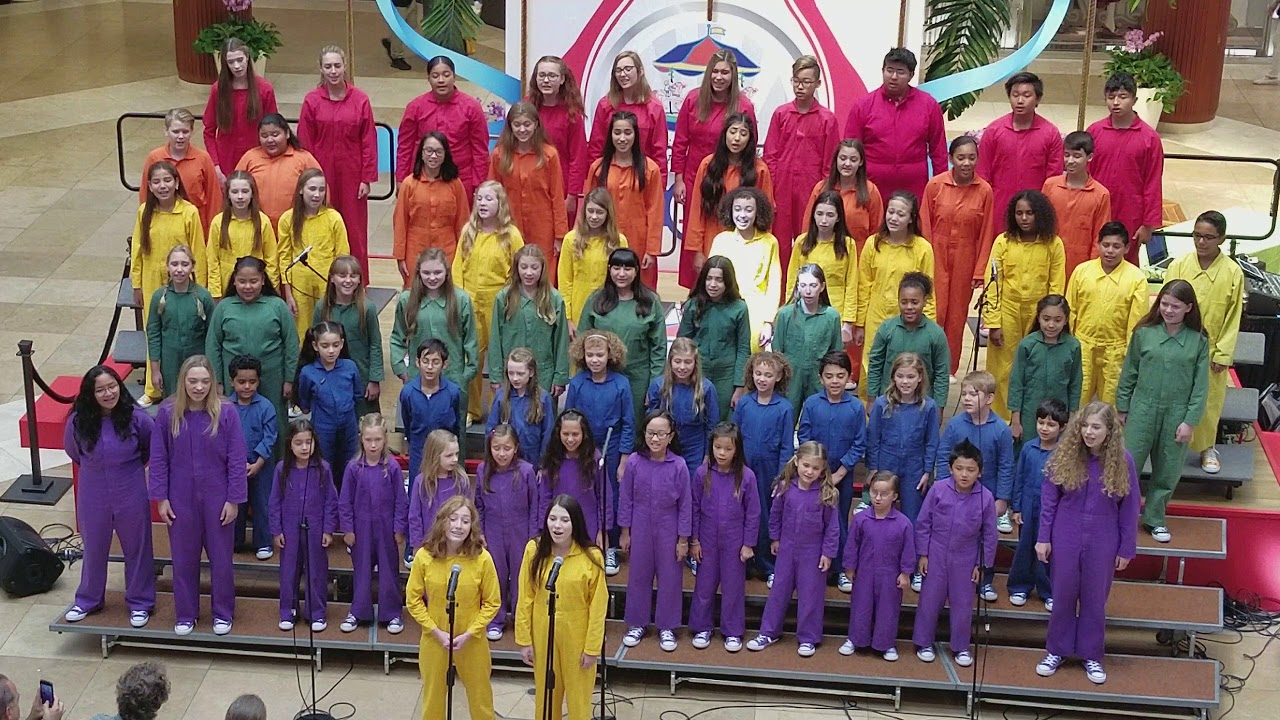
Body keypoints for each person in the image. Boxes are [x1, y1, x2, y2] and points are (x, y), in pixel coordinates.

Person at [1035, 401, 1140, 685]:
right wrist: (1043, 537)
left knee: (1095, 599)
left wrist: (1126, 547)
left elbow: (1130, 508)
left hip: (1104, 537)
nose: (1089, 432)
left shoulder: (1124, 461)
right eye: (1085, 426)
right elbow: (1049, 500)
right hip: (1066, 533)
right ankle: (1056, 650)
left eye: (1096, 427)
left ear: (1110, 430)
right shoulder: (1064, 455)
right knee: (1063, 594)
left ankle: (1091, 655)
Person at [149, 355, 247, 636]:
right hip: (180, 496)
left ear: (213, 383)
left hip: (218, 496)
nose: (199, 387)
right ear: (183, 382)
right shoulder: (168, 414)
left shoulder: (227, 413)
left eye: (205, 381)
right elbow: (159, 459)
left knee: (221, 560)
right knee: (183, 559)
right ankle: (186, 614)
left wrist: (233, 499)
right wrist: (161, 498)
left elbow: (236, 459)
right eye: (193, 381)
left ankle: (223, 613)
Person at [1117, 280, 1209, 543]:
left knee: (1168, 469)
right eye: (1164, 304)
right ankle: (1120, 516)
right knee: (1127, 464)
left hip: (1177, 413)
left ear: (1188, 308)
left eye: (1175, 306)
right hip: (1142, 409)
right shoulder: (1144, 333)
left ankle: (1155, 519)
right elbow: (1129, 373)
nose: (1168, 310)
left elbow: (1200, 387)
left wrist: (1190, 421)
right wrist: (1123, 407)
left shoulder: (1198, 341)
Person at [63, 366, 156, 627]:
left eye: (112, 386)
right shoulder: (77, 421)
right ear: (90, 394)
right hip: (93, 490)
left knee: (137, 546)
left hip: (130, 487)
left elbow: (149, 448)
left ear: (120, 386)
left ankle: (140, 602)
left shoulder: (138, 417)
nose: (108, 393)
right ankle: (88, 599)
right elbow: (73, 451)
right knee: (93, 546)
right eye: (100, 390)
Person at [406, 495, 501, 720]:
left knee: (481, 697)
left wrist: (471, 632)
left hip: (472, 638)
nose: (459, 526)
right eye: (453, 518)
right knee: (432, 698)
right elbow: (413, 599)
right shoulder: (424, 556)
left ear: (472, 526)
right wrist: (435, 631)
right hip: (435, 636)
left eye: (465, 521)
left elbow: (492, 602)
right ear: (442, 521)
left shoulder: (482, 559)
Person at [1164, 210, 1244, 474]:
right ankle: (1169, 446)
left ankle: (1207, 448)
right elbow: (1165, 305)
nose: (1201, 242)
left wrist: (1223, 354)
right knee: (1175, 398)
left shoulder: (1232, 272)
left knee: (1209, 403)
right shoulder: (1179, 265)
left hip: (1210, 352)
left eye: (1208, 237)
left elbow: (1233, 317)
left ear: (1221, 238)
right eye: (1197, 236)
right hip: (1178, 345)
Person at [515, 495, 608, 720]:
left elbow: (598, 606)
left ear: (575, 522)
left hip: (578, 635)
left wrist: (592, 648)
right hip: (543, 631)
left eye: (564, 520)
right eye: (553, 519)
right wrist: (524, 639)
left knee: (578, 701)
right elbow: (524, 596)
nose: (557, 526)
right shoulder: (533, 550)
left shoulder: (591, 556)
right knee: (546, 699)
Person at [746, 441, 840, 657]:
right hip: (787, 548)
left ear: (823, 469)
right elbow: (775, 515)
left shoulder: (827, 494)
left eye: (816, 468)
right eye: (806, 465)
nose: (810, 471)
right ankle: (769, 632)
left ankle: (808, 637)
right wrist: (775, 538)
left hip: (813, 552)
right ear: (797, 461)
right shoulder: (784, 487)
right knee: (778, 591)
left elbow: (832, 528)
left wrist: (828, 553)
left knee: (811, 595)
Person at [674, 49, 757, 286]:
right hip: (696, 176)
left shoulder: (744, 105)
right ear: (709, 72)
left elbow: (750, 146)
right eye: (716, 71)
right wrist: (679, 179)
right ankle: (696, 290)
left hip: (733, 177)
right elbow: (680, 141)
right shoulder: (692, 99)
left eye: (725, 72)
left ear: (733, 76)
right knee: (697, 233)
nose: (719, 77)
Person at [912, 440, 998, 667]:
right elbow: (923, 523)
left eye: (970, 470)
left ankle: (960, 647)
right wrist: (923, 554)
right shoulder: (938, 490)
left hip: (967, 557)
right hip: (936, 552)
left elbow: (990, 534)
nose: (964, 474)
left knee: (962, 605)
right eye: (959, 468)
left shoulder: (985, 497)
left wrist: (982, 564)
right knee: (929, 600)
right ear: (950, 468)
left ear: (980, 472)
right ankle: (923, 642)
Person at [983, 190, 1066, 418]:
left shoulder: (1053, 244)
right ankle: (1002, 418)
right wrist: (993, 322)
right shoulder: (1003, 241)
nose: (1024, 218)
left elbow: (1056, 285)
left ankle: (1033, 418)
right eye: (1019, 213)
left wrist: (1050, 321)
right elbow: (992, 282)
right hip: (1007, 309)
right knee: (1002, 367)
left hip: (1038, 313)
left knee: (1035, 366)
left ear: (1040, 214)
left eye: (1030, 213)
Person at [298, 46, 379, 279]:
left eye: (337, 66)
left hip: (352, 174)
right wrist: (309, 178)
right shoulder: (312, 100)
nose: (333, 71)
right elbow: (305, 141)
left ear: (345, 66)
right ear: (321, 69)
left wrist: (366, 178)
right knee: (322, 224)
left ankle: (357, 280)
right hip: (321, 173)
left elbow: (368, 140)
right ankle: (323, 277)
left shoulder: (360, 99)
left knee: (354, 228)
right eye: (328, 66)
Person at [132, 161, 206, 406]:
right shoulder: (144, 212)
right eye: (156, 182)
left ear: (176, 183)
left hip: (185, 281)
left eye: (167, 180)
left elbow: (198, 251)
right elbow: (138, 250)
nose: (162, 186)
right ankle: (154, 387)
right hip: (153, 278)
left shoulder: (189, 212)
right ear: (150, 186)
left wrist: (201, 287)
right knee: (155, 330)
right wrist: (136, 284)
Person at [619, 410, 693, 652]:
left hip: (669, 526)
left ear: (670, 436)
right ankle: (637, 623)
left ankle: (667, 626)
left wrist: (683, 539)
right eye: (651, 433)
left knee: (670, 576)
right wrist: (625, 531)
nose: (655, 439)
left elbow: (685, 505)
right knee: (638, 574)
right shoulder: (634, 462)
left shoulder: (679, 465)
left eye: (661, 434)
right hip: (640, 524)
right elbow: (626, 498)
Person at [921, 135, 994, 376]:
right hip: (937, 254)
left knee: (957, 316)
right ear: (951, 158)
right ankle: (925, 364)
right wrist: (926, 261)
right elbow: (925, 225)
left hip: (966, 256)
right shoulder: (935, 185)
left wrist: (979, 270)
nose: (966, 163)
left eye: (971, 157)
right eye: (960, 157)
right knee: (934, 311)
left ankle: (948, 370)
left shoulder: (984, 191)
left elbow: (986, 233)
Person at [207, 257, 299, 445]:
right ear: (234, 280)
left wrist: (289, 379)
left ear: (263, 280)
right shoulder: (224, 307)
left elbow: (291, 344)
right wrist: (217, 381)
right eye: (242, 281)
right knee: (235, 425)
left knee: (274, 426)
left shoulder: (277, 306)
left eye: (253, 281)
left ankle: (276, 469)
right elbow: (213, 346)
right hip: (232, 380)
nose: (247, 286)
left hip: (272, 379)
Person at [866, 352, 940, 587]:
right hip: (886, 466)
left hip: (915, 469)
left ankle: (913, 567)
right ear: (893, 377)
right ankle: (879, 563)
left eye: (911, 376)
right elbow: (873, 438)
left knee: (913, 519)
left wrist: (928, 470)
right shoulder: (881, 404)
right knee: (882, 516)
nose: (905, 381)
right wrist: (873, 468)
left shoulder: (928, 407)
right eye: (901, 376)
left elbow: (932, 441)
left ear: (920, 378)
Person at [935, 371, 1015, 588]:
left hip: (987, 493)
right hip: (956, 492)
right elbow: (943, 455)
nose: (967, 398)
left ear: (989, 398)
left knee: (986, 536)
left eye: (974, 394)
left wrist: (1003, 498)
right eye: (964, 394)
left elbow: (1007, 465)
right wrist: (942, 486)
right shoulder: (955, 425)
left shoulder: (1000, 430)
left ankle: (985, 578)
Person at [563, 331, 634, 572]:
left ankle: (610, 548)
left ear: (610, 355)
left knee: (610, 495)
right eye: (590, 355)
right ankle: (580, 543)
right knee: (582, 493)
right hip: (582, 447)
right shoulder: (578, 383)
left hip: (612, 448)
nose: (594, 360)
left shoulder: (621, 384)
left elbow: (628, 422)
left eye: (599, 355)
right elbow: (568, 418)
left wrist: (624, 460)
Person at [854, 191, 935, 399]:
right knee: (871, 364)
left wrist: (929, 326)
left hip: (909, 317)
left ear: (911, 218)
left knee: (907, 364)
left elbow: (929, 292)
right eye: (891, 212)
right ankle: (871, 410)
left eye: (900, 214)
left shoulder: (922, 248)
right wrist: (859, 323)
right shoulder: (874, 244)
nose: (894, 218)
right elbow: (863, 285)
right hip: (876, 313)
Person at [797, 351, 867, 593]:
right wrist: (813, 469)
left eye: (840, 376)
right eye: (829, 376)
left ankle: (841, 570)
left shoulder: (856, 407)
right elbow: (804, 435)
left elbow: (860, 442)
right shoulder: (812, 404)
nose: (835, 381)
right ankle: (814, 567)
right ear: (821, 378)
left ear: (849, 377)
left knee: (838, 522)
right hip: (813, 475)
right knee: (814, 521)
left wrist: (841, 471)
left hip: (842, 477)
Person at [455, 180, 525, 421]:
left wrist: (509, 299)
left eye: (489, 199)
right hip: (470, 301)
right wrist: (460, 299)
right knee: (472, 356)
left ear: (500, 203)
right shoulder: (468, 231)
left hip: (500, 302)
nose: (483, 203)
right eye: (479, 199)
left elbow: (519, 271)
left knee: (502, 358)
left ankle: (504, 408)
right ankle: (473, 409)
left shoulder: (511, 235)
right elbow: (457, 268)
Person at [390, 249, 478, 440]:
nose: (432, 278)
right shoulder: (407, 300)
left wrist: (465, 376)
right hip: (418, 379)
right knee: (419, 432)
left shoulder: (461, 300)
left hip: (453, 379)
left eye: (437, 272)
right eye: (427, 273)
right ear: (418, 273)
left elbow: (471, 341)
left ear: (446, 272)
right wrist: (402, 370)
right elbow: (398, 337)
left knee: (453, 436)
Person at [689, 422, 761, 653]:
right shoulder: (702, 474)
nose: (721, 453)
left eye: (727, 449)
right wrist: (694, 541)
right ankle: (702, 627)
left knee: (733, 587)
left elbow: (754, 512)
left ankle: (732, 631)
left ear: (737, 450)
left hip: (735, 541)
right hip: (707, 540)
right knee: (704, 585)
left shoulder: (746, 476)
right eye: (717, 447)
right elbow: (694, 507)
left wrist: (748, 544)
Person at [763, 55, 840, 270]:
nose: (800, 86)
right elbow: (771, 156)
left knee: (808, 241)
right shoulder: (781, 114)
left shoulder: (827, 119)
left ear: (817, 84)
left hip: (811, 189)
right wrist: (772, 192)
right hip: (782, 189)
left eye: (806, 81)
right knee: (779, 245)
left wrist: (824, 194)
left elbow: (830, 163)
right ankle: (780, 297)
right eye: (796, 80)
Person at [844, 47, 947, 202]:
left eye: (900, 72)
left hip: (914, 187)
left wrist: (940, 187)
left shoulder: (928, 105)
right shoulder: (863, 106)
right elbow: (850, 150)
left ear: (911, 75)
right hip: (871, 186)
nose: (893, 76)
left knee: (912, 226)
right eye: (889, 70)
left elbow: (938, 152)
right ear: (882, 71)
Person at [576, 248, 666, 423]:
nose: (621, 274)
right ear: (609, 269)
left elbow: (659, 347)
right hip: (600, 376)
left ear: (636, 271)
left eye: (628, 268)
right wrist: (583, 379)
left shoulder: (650, 301)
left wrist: (654, 384)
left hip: (638, 379)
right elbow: (581, 341)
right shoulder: (596, 299)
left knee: (633, 426)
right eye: (616, 268)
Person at [1066, 222, 1149, 406]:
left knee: (1111, 406)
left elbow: (1137, 322)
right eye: (1106, 245)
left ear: (1127, 248)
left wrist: (1131, 354)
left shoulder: (1136, 279)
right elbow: (1070, 310)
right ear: (1098, 244)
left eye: (1116, 246)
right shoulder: (1082, 271)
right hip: (1083, 346)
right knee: (1076, 401)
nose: (1110, 251)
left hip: (1116, 351)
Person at [339, 413, 408, 634]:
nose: (373, 444)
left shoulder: (393, 467)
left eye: (377, 440)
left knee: (389, 571)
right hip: (361, 529)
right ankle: (359, 611)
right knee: (361, 570)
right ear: (361, 439)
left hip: (386, 529)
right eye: (368, 440)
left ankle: (392, 613)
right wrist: (347, 529)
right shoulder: (353, 468)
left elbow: (401, 500)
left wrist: (399, 528)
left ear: (385, 439)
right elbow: (345, 501)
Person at [683, 113, 774, 280]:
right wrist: (697, 251)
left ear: (750, 139)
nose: (737, 138)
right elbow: (697, 211)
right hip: (712, 241)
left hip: (747, 244)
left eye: (743, 133)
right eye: (733, 132)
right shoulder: (707, 165)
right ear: (724, 134)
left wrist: (763, 249)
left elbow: (765, 216)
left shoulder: (759, 170)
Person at [1087, 73, 1165, 265]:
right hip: (1097, 209)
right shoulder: (1094, 132)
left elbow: (1153, 182)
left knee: (1126, 265)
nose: (1116, 102)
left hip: (1131, 212)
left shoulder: (1149, 138)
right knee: (1093, 259)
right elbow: (1085, 174)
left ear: (1134, 100)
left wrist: (1148, 224)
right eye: (1111, 97)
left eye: (1123, 97)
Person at [269, 418, 339, 632]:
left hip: (316, 528)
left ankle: (316, 613)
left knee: (317, 571)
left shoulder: (323, 469)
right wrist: (276, 530)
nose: (304, 447)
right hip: (289, 529)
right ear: (290, 444)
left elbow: (331, 501)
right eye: (299, 443)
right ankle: (287, 611)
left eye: (308, 442)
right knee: (288, 571)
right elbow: (274, 501)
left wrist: (328, 529)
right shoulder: (282, 469)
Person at [732, 351, 795, 582]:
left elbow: (787, 446)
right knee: (743, 513)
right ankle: (744, 563)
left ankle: (768, 565)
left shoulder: (785, 408)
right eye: (758, 373)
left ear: (778, 377)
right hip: (745, 469)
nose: (762, 379)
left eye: (768, 374)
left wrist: (782, 477)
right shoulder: (745, 403)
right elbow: (734, 437)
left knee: (768, 516)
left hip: (770, 471)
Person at [976, 72, 1065, 237]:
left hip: (1035, 210)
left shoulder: (1050, 133)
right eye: (1015, 95)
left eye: (1026, 95)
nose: (1020, 100)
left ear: (1037, 99)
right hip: (999, 207)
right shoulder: (994, 131)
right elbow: (983, 173)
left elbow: (1053, 179)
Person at [583, 111, 664, 289]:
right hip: (603, 239)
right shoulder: (597, 168)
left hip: (639, 241)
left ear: (636, 135)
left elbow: (655, 211)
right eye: (617, 132)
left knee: (640, 291)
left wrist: (652, 250)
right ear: (610, 134)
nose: (622, 138)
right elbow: (586, 210)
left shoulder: (650, 169)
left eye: (628, 133)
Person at [489, 102, 568, 281]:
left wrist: (560, 235)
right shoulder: (500, 155)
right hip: (509, 225)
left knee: (542, 275)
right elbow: (492, 195)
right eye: (517, 124)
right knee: (511, 274)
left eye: (527, 124)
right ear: (510, 127)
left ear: (536, 125)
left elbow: (557, 196)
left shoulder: (549, 155)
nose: (522, 129)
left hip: (543, 228)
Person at [840, 471, 915, 661]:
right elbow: (852, 545)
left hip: (890, 575)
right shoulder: (860, 519)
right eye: (874, 493)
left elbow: (908, 551)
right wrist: (849, 567)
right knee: (860, 606)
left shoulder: (903, 523)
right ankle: (855, 639)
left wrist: (905, 573)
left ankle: (886, 643)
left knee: (888, 609)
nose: (878, 498)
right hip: (864, 572)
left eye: (884, 494)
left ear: (895, 496)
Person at [475, 424, 539, 640]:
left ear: (516, 448)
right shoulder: (483, 470)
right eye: (497, 448)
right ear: (490, 448)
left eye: (507, 448)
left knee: (522, 577)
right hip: (493, 530)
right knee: (496, 575)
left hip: (520, 530)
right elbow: (479, 506)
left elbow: (535, 506)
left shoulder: (527, 471)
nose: (501, 453)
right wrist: (480, 533)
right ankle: (495, 620)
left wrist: (533, 537)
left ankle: (523, 620)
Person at [395, 56, 490, 196]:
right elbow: (405, 146)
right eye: (435, 76)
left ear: (454, 76)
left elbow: (480, 149)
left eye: (446, 75)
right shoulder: (415, 107)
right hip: (423, 179)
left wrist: (479, 183)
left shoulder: (471, 107)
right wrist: (401, 178)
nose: (441, 80)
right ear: (428, 79)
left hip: (462, 179)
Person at [487, 245, 571, 399]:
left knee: (542, 416)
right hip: (512, 375)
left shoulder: (554, 299)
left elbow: (561, 341)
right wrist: (495, 375)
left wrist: (560, 377)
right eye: (524, 267)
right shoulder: (503, 298)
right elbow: (495, 339)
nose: (529, 273)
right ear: (517, 268)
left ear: (542, 269)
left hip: (544, 374)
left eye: (534, 267)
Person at [788, 191, 859, 370]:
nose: (824, 220)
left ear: (838, 218)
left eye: (830, 215)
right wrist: (790, 310)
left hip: (836, 312)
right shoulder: (802, 243)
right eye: (819, 214)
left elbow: (851, 284)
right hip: (804, 311)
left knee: (831, 364)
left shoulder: (848, 245)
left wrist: (848, 323)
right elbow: (792, 280)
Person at [1008, 398, 1067, 610]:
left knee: (1048, 550)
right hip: (1027, 506)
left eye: (1051, 424)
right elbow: (1019, 478)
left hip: (1051, 512)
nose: (1044, 428)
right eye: (1041, 422)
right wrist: (1016, 507)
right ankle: (1019, 586)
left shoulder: (1063, 454)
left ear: (1062, 427)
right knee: (1025, 547)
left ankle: (1048, 590)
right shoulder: (1027, 449)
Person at [278, 168, 350, 341]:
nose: (317, 194)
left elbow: (342, 256)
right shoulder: (287, 219)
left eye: (321, 189)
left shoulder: (334, 218)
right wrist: (288, 294)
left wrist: (339, 289)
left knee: (328, 330)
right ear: (301, 189)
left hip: (327, 284)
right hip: (299, 286)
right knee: (302, 332)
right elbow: (284, 258)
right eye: (312, 189)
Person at [709, 187, 782, 352]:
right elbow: (709, 280)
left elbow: (773, 284)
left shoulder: (770, 242)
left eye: (749, 210)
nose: (742, 215)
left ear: (758, 213)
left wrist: (768, 322)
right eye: (737, 209)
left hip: (755, 311)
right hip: (723, 308)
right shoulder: (721, 240)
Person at [677, 256, 751, 420]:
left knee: (721, 420)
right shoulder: (693, 305)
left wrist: (739, 386)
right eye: (709, 278)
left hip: (726, 374)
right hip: (696, 372)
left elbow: (744, 347)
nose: (713, 284)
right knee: (694, 417)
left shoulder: (739, 308)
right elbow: (681, 343)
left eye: (719, 280)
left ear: (728, 282)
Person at [865, 272, 950, 410]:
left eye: (915, 302)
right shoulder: (886, 329)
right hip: (889, 401)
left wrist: (939, 407)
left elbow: (942, 373)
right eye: (904, 302)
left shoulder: (936, 334)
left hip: (922, 405)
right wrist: (871, 398)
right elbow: (875, 365)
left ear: (925, 301)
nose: (909, 307)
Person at [587, 50, 668, 189]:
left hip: (642, 179)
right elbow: (596, 146)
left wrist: (659, 186)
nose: (623, 74)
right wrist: (594, 180)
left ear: (640, 71)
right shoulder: (605, 105)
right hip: (609, 180)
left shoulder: (654, 108)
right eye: (618, 70)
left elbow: (659, 151)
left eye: (628, 69)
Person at [314, 255, 384, 417]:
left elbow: (375, 344)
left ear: (360, 280)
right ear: (332, 278)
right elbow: (314, 344)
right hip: (329, 376)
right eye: (342, 275)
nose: (348, 280)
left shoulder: (367, 308)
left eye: (353, 276)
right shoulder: (322, 307)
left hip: (362, 377)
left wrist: (374, 379)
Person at [393, 132, 470, 274]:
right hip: (415, 248)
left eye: (439, 152)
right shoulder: (409, 184)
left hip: (448, 248)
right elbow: (400, 222)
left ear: (445, 154)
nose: (433, 156)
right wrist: (400, 257)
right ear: (421, 153)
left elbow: (463, 221)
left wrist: (464, 253)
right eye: (429, 151)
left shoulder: (455, 184)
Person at [538, 409, 614, 554]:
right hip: (558, 528)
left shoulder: (596, 459)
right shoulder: (552, 460)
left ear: (584, 435)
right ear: (558, 434)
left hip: (588, 526)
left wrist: (602, 529)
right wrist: (544, 528)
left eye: (575, 434)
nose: (570, 439)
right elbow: (544, 498)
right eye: (566, 434)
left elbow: (604, 498)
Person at [1009, 296, 1082, 445]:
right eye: (1046, 319)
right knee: (1027, 451)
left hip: (1060, 414)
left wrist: (1072, 418)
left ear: (1066, 320)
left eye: (1057, 320)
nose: (1051, 325)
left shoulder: (1073, 346)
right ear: (1038, 318)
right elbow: (1016, 382)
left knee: (1056, 456)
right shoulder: (1027, 345)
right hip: (1030, 413)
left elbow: (1075, 384)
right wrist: (1015, 420)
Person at [770, 264, 842, 412]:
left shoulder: (831, 316)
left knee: (819, 417)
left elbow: (836, 353)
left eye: (813, 285)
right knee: (786, 417)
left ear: (822, 287)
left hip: (818, 378)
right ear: (798, 286)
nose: (808, 291)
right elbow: (777, 352)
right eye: (803, 285)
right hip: (790, 379)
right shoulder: (785, 314)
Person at [203, 38, 278, 179]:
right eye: (231, 62)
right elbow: (209, 131)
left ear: (247, 57)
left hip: (257, 159)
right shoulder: (218, 90)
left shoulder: (264, 89)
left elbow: (273, 129)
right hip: (226, 162)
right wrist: (216, 166)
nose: (236, 66)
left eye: (239, 60)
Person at [146, 245, 215, 398]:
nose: (179, 269)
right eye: (174, 264)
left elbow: (213, 335)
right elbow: (153, 334)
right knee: (172, 400)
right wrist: (155, 370)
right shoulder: (159, 297)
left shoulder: (203, 297)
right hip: (169, 359)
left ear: (193, 266)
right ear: (167, 266)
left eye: (185, 264)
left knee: (197, 397)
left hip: (197, 356)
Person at [296, 321, 361, 483]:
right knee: (324, 465)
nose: (331, 351)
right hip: (322, 425)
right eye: (325, 346)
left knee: (350, 463)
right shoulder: (307, 372)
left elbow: (357, 394)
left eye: (335, 345)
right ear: (315, 346)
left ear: (342, 344)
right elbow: (304, 399)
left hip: (348, 424)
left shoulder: (350, 367)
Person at [526, 55, 588, 221]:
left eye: (552, 76)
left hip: (562, 189)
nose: (546, 80)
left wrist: (572, 195)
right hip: (529, 185)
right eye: (542, 75)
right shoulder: (526, 108)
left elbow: (578, 158)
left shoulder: (572, 115)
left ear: (562, 79)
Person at [1042, 131, 1112, 280]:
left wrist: (1093, 269)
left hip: (1081, 266)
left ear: (1090, 157)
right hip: (1048, 261)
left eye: (1077, 156)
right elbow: (1040, 225)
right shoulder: (1050, 186)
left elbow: (1099, 236)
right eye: (1067, 155)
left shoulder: (1101, 194)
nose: (1070, 160)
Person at [399, 339, 465, 495]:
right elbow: (408, 424)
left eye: (435, 362)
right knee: (418, 492)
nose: (429, 367)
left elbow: (456, 426)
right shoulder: (408, 393)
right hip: (418, 452)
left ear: (444, 364)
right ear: (417, 362)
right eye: (425, 361)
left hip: (444, 453)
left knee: (445, 493)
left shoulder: (453, 392)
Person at [646, 338, 719, 477]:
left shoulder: (706, 388)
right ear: (670, 361)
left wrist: (708, 454)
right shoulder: (658, 385)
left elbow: (712, 425)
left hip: (695, 446)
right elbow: (650, 420)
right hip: (666, 444)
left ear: (695, 363)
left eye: (688, 362)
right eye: (677, 361)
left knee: (692, 486)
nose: (682, 367)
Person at [228, 355, 278, 559]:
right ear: (232, 381)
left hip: (261, 466)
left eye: (252, 381)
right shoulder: (225, 407)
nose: (247, 386)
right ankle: (234, 541)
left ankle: (264, 542)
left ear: (259, 381)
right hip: (233, 466)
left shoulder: (266, 407)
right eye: (241, 382)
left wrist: (258, 461)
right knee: (235, 504)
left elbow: (270, 436)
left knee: (262, 503)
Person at [233, 114, 322, 227]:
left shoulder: (304, 158)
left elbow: (322, 190)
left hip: (296, 225)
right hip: (256, 225)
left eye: (275, 134)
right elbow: (233, 188)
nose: (270, 140)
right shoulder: (250, 157)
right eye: (264, 136)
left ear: (287, 134)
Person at [140, 108, 221, 231]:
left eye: (185, 131)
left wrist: (213, 230)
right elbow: (145, 194)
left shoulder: (203, 158)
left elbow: (214, 196)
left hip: (197, 226)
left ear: (192, 132)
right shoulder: (155, 157)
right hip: (162, 224)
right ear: (166, 131)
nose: (181, 136)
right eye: (176, 131)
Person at [206, 171, 281, 299]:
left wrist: (270, 289)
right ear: (228, 195)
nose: (240, 197)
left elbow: (271, 259)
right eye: (235, 192)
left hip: (256, 287)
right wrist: (215, 293)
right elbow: (213, 261)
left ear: (252, 194)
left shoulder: (263, 221)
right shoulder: (218, 222)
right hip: (227, 287)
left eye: (245, 191)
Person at [560, 188, 628, 326]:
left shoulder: (619, 241)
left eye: (600, 212)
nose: (594, 217)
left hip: (610, 306)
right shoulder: (570, 239)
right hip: (579, 307)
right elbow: (565, 282)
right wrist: (567, 318)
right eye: (590, 211)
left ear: (608, 214)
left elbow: (625, 281)